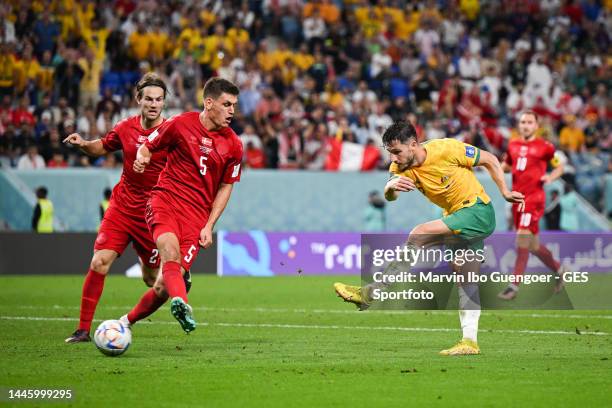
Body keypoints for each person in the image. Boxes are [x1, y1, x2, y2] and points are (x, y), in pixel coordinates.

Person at [334, 121, 524, 355]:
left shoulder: (446, 149)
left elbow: (490, 159)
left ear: (413, 145)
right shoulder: (399, 167)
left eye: (396, 152)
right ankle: (470, 342)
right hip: (458, 218)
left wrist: (504, 191)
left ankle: (371, 293)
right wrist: (391, 187)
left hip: (477, 211)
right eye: (390, 153)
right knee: (466, 279)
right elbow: (390, 195)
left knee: (419, 234)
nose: (393, 158)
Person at [62, 73, 188, 343]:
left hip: (154, 213)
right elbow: (102, 146)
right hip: (122, 208)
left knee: (152, 279)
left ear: (164, 102)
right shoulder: (125, 128)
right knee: (99, 261)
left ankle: (154, 267)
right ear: (138, 100)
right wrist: (83, 144)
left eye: (159, 100)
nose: (154, 104)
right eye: (149, 99)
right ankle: (83, 329)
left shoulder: (173, 133)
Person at [123, 77, 242, 333]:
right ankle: (183, 304)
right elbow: (148, 146)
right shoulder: (180, 124)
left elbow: (226, 186)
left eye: (234, 105)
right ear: (209, 103)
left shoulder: (234, 145)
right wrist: (142, 159)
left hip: (196, 217)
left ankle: (125, 322)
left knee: (162, 287)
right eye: (227, 104)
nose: (232, 110)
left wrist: (209, 225)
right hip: (165, 200)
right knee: (169, 251)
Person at [498, 111, 565, 300]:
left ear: (536, 125)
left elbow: (559, 166)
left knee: (522, 239)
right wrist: (494, 167)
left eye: (529, 122)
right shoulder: (513, 144)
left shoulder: (546, 147)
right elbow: (507, 166)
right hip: (516, 200)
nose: (525, 125)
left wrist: (550, 176)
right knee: (534, 246)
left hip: (533, 199)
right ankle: (560, 270)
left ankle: (513, 286)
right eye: (522, 122)